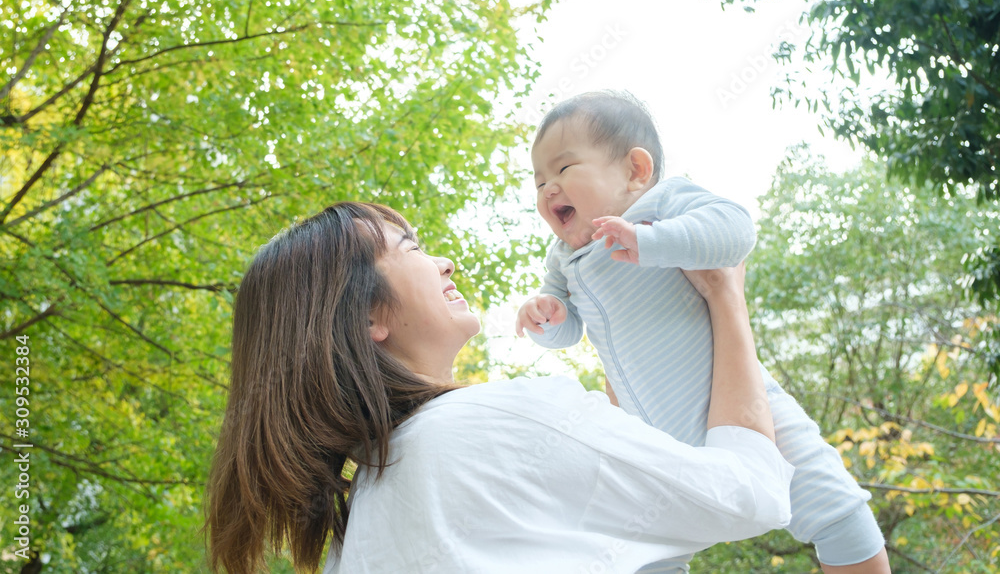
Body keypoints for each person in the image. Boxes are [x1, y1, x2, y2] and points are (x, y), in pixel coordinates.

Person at [205, 201, 794, 574]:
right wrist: (725, 296)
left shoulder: (362, 522)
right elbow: (747, 493)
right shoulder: (494, 422)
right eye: (410, 247)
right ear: (365, 318)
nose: (443, 264)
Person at [515, 90, 891, 574]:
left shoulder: (662, 205)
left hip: (744, 405)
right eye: (540, 179)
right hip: (653, 438)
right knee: (637, 551)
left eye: (564, 170)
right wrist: (547, 318)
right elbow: (565, 328)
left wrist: (651, 241)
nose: (548, 189)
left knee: (829, 500)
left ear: (635, 170)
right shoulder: (564, 259)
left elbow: (735, 230)